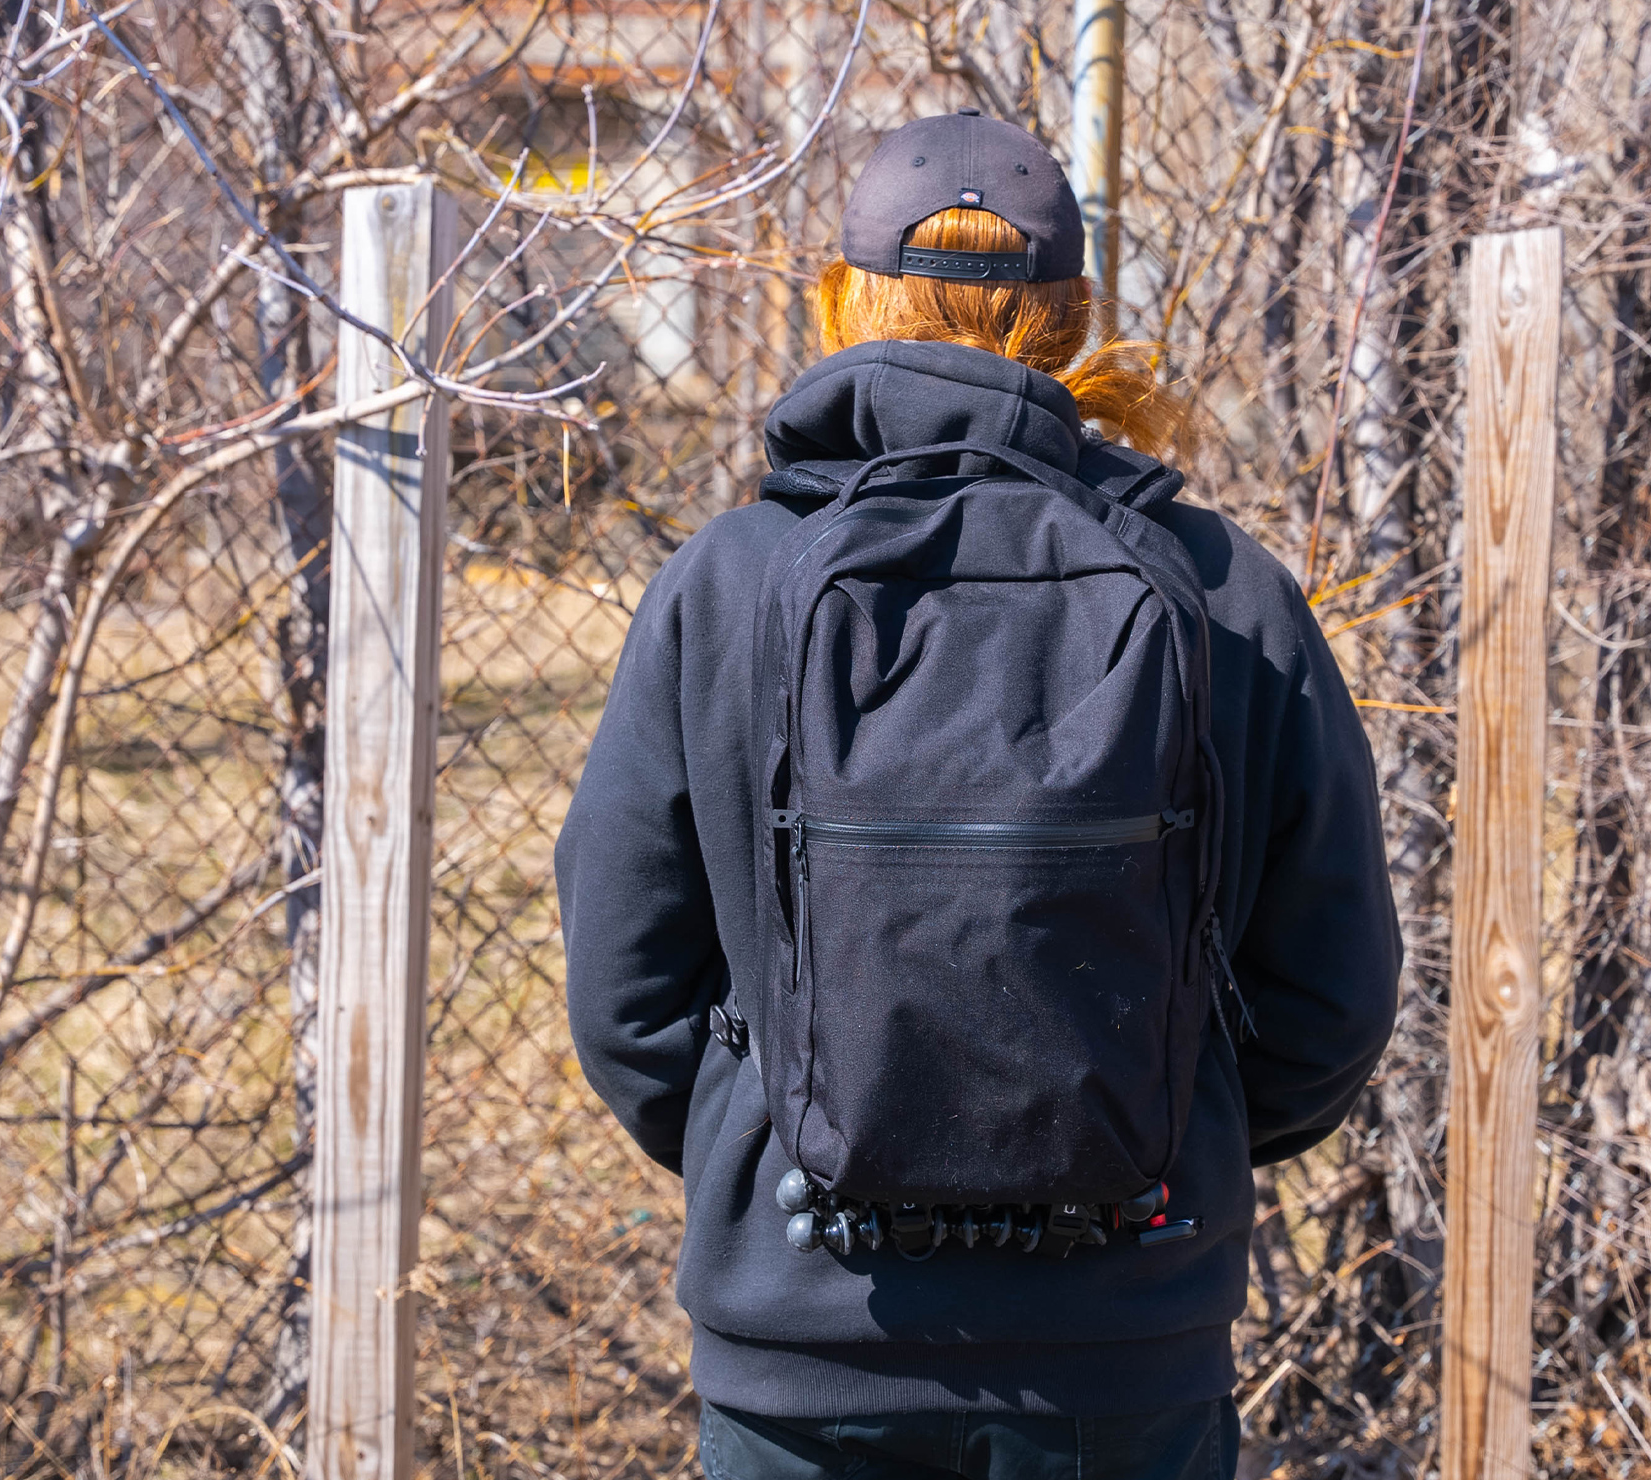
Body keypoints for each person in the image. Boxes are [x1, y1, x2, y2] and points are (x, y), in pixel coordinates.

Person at [556, 109, 1400, 1480]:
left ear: (842, 302)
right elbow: (1331, 1003)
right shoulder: (1226, 594)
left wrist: (764, 1137)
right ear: (1069, 319)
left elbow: (625, 991)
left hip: (802, 1340)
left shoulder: (727, 587)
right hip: (1128, 1341)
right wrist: (1166, 1122)